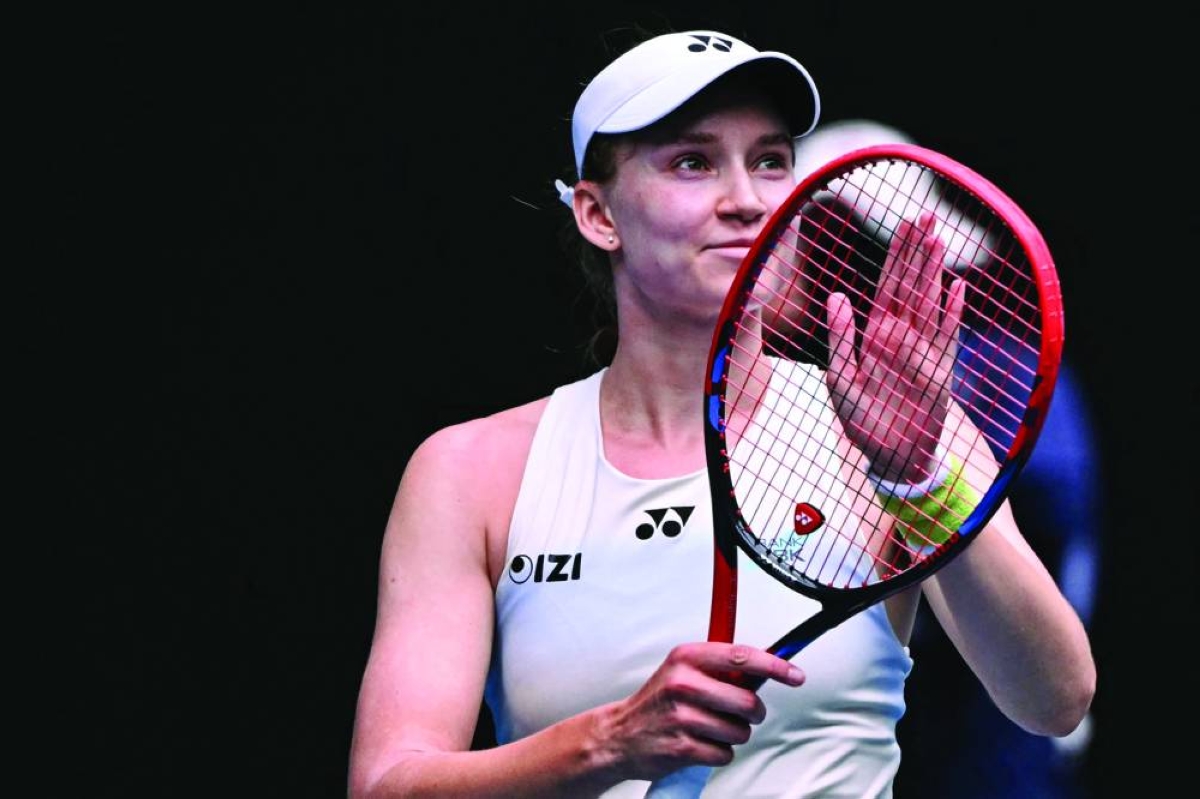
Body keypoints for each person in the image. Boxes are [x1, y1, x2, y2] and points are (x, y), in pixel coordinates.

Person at [347, 29, 1096, 799]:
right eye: (693, 162)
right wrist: (608, 743)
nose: (748, 200)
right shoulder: (470, 472)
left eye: (770, 161)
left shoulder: (904, 429)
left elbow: (1055, 701)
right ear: (598, 214)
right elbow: (385, 784)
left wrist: (919, 480)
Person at [790, 118, 1104, 799]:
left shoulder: (998, 356)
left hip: (990, 712)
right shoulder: (801, 389)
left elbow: (1047, 505)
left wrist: (917, 471)